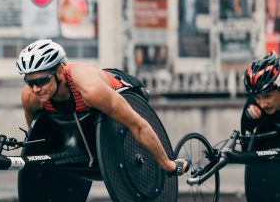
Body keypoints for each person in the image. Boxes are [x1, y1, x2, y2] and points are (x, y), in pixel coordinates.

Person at [16, 38, 188, 175]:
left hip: (125, 88)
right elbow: (36, 137)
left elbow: (138, 125)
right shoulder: (31, 97)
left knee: (124, 119)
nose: (36, 88)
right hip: (83, 111)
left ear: (60, 71)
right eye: (30, 82)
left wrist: (167, 164)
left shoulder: (90, 90)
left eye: (42, 80)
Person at [241, 52, 280, 141]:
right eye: (257, 97)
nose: (262, 104)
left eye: (267, 96)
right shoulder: (252, 106)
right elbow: (246, 150)